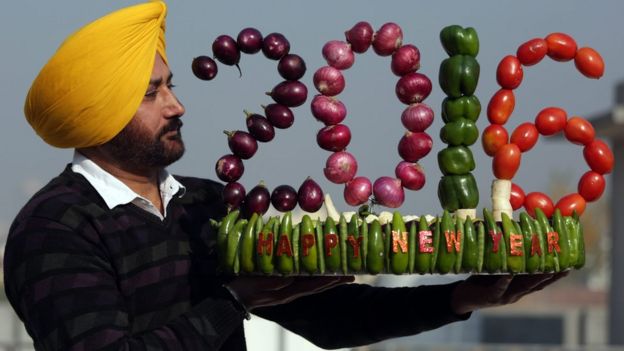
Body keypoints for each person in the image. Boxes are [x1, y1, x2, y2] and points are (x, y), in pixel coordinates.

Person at [3, 2, 567, 350]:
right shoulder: (55, 227)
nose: (176, 106)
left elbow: (325, 319)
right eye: (153, 94)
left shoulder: (206, 206)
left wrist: (462, 298)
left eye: (171, 85)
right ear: (97, 117)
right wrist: (234, 301)